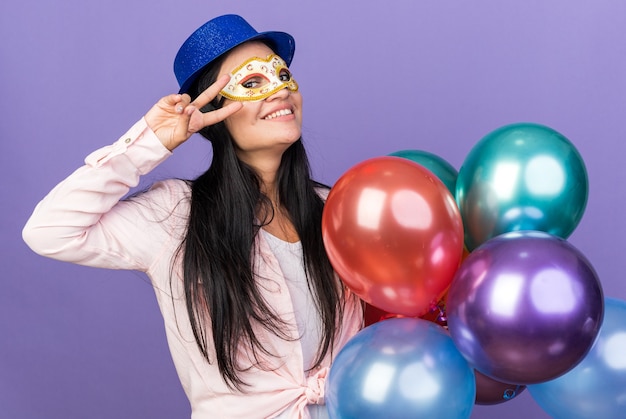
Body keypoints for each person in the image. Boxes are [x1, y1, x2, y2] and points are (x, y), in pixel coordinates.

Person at [22, 14, 363, 418]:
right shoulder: (176, 215)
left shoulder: (337, 208)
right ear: (214, 112)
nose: (279, 91)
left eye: (283, 74)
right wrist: (150, 143)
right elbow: (48, 230)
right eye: (252, 83)